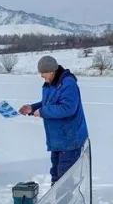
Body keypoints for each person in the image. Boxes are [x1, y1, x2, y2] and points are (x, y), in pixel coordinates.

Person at [18, 55, 89, 184]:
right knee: (56, 174)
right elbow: (48, 102)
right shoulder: (50, 84)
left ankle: (64, 202)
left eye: (43, 72)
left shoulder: (68, 84)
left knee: (64, 178)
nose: (41, 76)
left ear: (52, 71)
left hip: (69, 139)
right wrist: (32, 108)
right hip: (58, 139)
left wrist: (42, 112)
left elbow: (67, 108)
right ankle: (56, 201)